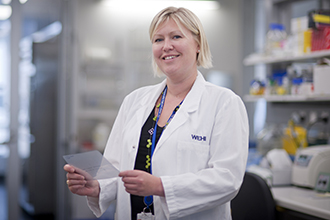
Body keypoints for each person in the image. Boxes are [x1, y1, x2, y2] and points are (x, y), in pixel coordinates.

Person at [64, 6, 249, 220]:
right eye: (158, 40)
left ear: (198, 44)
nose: (166, 46)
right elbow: (115, 168)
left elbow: (227, 179)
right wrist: (96, 186)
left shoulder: (224, 103)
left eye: (176, 36)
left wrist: (161, 186)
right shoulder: (134, 101)